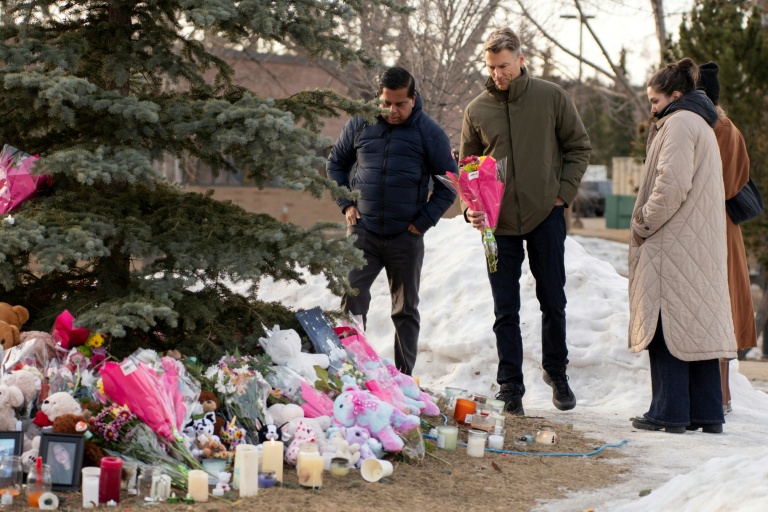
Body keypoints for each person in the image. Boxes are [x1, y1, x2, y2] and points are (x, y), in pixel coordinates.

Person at [460, 27, 591, 415]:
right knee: (506, 309)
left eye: (504, 65)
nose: (498, 73)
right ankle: (510, 387)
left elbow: (578, 147)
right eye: (491, 66)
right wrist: (472, 208)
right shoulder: (476, 110)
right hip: (496, 227)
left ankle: (557, 372)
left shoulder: (551, 97)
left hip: (545, 217)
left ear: (520, 59)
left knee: (553, 299)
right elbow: (468, 168)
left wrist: (561, 195)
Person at [629, 58, 737, 434]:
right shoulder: (701, 124)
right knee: (696, 329)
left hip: (672, 243)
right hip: (697, 243)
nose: (652, 108)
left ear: (675, 95)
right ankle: (706, 413)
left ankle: (668, 412)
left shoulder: (677, 124)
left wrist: (643, 221)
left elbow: (671, 186)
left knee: (666, 326)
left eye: (655, 100)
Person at [326, 66, 457, 376]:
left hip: (405, 237)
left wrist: (422, 222)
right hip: (364, 232)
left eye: (400, 104)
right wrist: (346, 204)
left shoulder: (430, 132)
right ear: (378, 97)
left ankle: (402, 377)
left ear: (413, 99)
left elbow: (449, 184)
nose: (392, 111)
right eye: (386, 103)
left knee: (405, 310)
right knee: (352, 299)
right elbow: (335, 165)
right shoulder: (360, 122)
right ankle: (351, 372)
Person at [697, 62, 758, 414]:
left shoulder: (711, 128)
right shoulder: (727, 128)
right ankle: (722, 396)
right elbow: (738, 180)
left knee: (714, 306)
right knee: (724, 307)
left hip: (711, 226)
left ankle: (718, 397)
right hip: (725, 225)